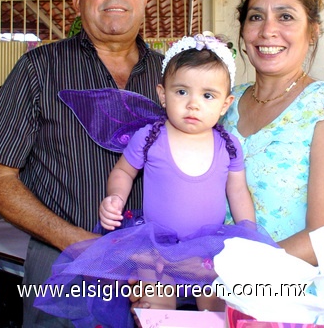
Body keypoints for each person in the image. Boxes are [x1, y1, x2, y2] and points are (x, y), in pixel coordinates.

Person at [0, 0, 164, 327]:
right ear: (77, 0)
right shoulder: (38, 69)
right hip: (62, 264)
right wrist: (77, 241)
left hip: (153, 269)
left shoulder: (174, 76)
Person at [33, 34, 275, 324]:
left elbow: (238, 193)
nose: (193, 104)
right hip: (154, 246)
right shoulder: (150, 137)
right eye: (182, 92)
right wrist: (116, 198)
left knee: (217, 312)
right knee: (155, 312)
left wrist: (247, 233)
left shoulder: (229, 144)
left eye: (207, 95)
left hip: (208, 247)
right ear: (162, 94)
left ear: (225, 104)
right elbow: (124, 171)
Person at [220, 0, 324, 266]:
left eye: (285, 16)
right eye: (256, 16)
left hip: (289, 297)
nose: (268, 30)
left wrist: (231, 271)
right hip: (213, 294)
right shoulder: (224, 105)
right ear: (244, 31)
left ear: (312, 31)